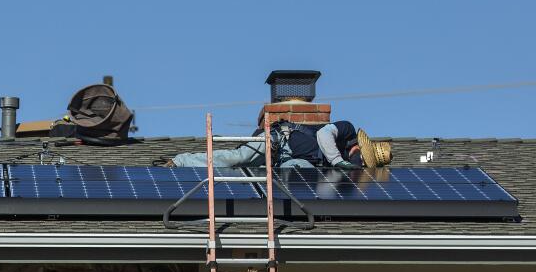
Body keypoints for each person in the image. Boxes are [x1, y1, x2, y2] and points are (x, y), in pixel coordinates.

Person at [165, 120, 391, 169]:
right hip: (276, 140)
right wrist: (338, 161)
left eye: (364, 164)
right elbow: (323, 134)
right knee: (238, 158)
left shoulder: (343, 171)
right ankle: (179, 162)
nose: (359, 163)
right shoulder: (347, 130)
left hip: (282, 163)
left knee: (246, 177)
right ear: (361, 148)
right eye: (362, 158)